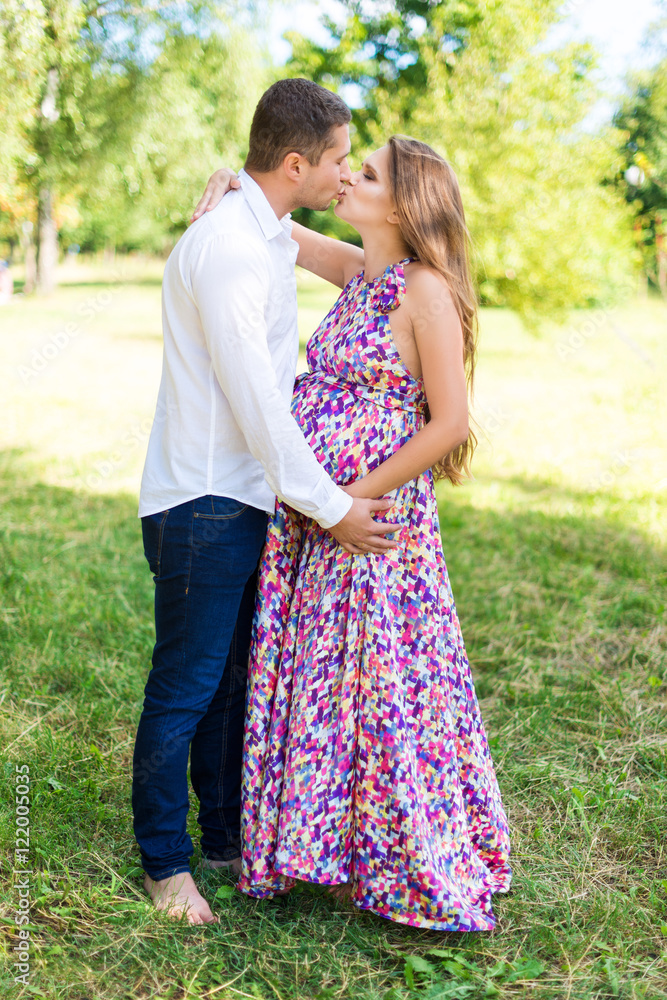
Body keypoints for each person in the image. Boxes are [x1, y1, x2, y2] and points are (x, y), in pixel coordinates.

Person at [192, 135, 511, 930]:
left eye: (364, 174)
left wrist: (344, 502)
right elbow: (280, 225)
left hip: (368, 523)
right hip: (320, 517)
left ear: (402, 205)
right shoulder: (362, 269)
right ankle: (327, 850)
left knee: (377, 688)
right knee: (325, 680)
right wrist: (234, 185)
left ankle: (394, 853)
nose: (346, 179)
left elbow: (450, 424)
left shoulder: (424, 291)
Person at [133, 79, 401, 926]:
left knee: (227, 685)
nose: (342, 176)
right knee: (184, 688)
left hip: (240, 502)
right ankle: (166, 867)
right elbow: (258, 405)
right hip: (202, 503)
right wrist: (333, 509)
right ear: (295, 162)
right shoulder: (229, 249)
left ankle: (223, 840)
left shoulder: (263, 231)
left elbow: (368, 264)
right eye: (335, 162)